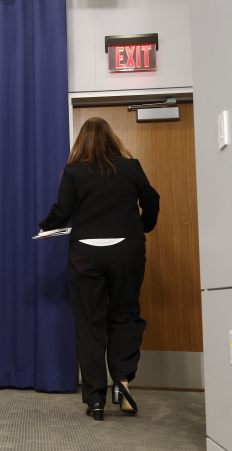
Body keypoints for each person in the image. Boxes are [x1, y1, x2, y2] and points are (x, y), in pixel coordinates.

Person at [39, 117, 160, 422]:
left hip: (86, 255)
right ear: (112, 140)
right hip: (126, 251)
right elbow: (152, 200)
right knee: (125, 314)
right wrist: (142, 228)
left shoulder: (74, 171)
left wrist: (45, 228)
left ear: (82, 142)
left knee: (89, 325)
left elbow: (62, 212)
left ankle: (96, 400)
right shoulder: (130, 166)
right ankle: (122, 382)